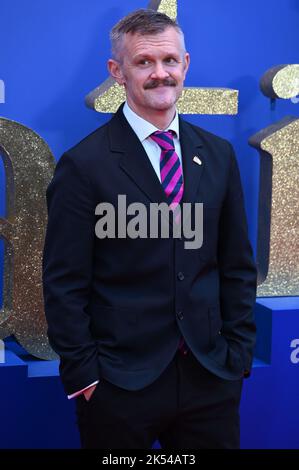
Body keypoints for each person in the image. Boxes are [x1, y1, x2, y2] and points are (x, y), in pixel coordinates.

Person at [42, 9, 257, 449]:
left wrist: (239, 356)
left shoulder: (217, 155)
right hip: (119, 387)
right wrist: (85, 376)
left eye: (170, 61)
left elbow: (236, 264)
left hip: (210, 378)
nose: (160, 74)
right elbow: (64, 283)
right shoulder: (84, 166)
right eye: (144, 62)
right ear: (117, 72)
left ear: (186, 65)